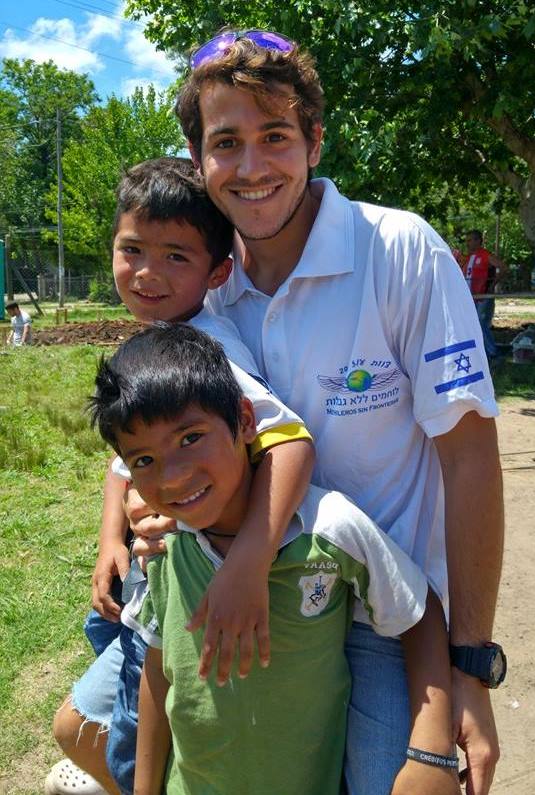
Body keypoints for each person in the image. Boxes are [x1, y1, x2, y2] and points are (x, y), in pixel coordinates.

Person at [166, 29, 504, 795]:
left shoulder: (401, 253)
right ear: (197, 158)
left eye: (275, 135)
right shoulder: (202, 292)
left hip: (391, 626)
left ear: (315, 140)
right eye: (226, 143)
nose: (252, 167)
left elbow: (469, 458)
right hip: (260, 608)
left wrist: (471, 664)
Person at [91, 322, 457, 795]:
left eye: (190, 438)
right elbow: (158, 676)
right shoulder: (161, 545)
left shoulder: (328, 530)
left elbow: (419, 611)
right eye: (144, 461)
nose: (173, 477)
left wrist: (431, 751)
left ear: (246, 420)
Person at [47, 158, 315, 795]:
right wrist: (109, 540)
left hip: (187, 583)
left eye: (175, 256)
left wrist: (247, 563)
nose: (147, 272)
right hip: (147, 580)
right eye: (132, 250)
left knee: (141, 735)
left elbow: (291, 441)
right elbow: (124, 458)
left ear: (218, 272)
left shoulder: (206, 350)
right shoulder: (155, 342)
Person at [459, 229, 506, 360]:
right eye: (467, 241)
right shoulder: (467, 257)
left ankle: (492, 351)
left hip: (483, 296)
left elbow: (503, 267)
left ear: (478, 241)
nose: (467, 243)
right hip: (470, 297)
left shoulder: (486, 255)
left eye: (470, 240)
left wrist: (492, 285)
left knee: (480, 322)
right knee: (471, 323)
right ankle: (480, 351)